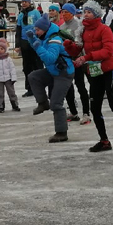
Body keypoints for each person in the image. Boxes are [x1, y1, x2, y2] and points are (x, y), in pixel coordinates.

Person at [74, 0, 113, 152]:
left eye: (89, 12)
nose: (86, 15)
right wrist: (70, 47)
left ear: (96, 14)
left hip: (109, 70)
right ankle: (104, 140)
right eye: (85, 12)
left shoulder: (104, 29)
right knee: (94, 107)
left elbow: (108, 51)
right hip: (95, 73)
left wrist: (86, 58)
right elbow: (78, 50)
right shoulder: (83, 30)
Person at [27, 14, 75, 143]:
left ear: (44, 29)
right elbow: (40, 47)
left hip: (64, 73)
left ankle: (61, 132)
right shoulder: (45, 36)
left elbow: (49, 58)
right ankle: (43, 103)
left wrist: (37, 46)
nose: (36, 32)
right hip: (54, 70)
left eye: (37, 30)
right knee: (34, 77)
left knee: (56, 103)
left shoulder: (55, 40)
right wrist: (32, 40)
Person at [58, 3, 90, 124]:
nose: (64, 14)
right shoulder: (61, 27)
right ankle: (73, 111)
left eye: (66, 12)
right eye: (63, 12)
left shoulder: (78, 25)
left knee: (80, 85)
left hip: (78, 59)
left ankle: (86, 112)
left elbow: (80, 42)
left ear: (72, 13)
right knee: (68, 86)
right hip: (67, 59)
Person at [15, 0, 43, 97]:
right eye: (22, 2)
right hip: (24, 41)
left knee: (37, 64)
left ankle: (40, 86)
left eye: (26, 2)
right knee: (27, 66)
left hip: (35, 41)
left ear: (29, 3)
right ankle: (29, 88)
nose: (24, 3)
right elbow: (18, 29)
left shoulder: (35, 12)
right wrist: (17, 44)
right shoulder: (21, 14)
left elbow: (41, 25)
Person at [0, 38, 20, 113]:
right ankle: (1, 106)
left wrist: (13, 78)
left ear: (5, 49)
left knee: (11, 92)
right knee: (0, 94)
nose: (0, 50)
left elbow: (12, 69)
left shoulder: (8, 59)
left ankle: (15, 105)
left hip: (8, 79)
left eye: (2, 48)